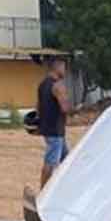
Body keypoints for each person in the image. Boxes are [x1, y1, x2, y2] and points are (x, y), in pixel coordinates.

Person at [37, 57, 72, 188]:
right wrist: (71, 105)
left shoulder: (42, 84)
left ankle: (67, 187)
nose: (65, 71)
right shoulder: (58, 85)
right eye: (63, 67)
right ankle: (43, 191)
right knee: (50, 163)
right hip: (56, 130)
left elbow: (38, 107)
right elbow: (65, 108)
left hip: (48, 128)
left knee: (67, 160)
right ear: (57, 67)